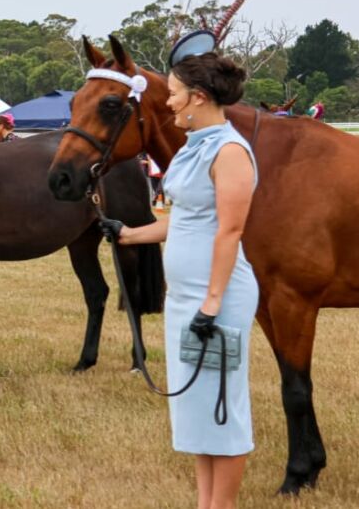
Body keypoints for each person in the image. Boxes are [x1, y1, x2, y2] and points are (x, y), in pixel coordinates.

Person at [104, 31, 258, 509]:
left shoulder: (229, 152)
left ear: (199, 97)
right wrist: (129, 234)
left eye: (172, 93)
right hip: (187, 298)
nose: (167, 102)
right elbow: (187, 221)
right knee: (193, 407)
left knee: (221, 405)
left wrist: (212, 304)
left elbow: (228, 232)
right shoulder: (193, 145)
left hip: (219, 300)